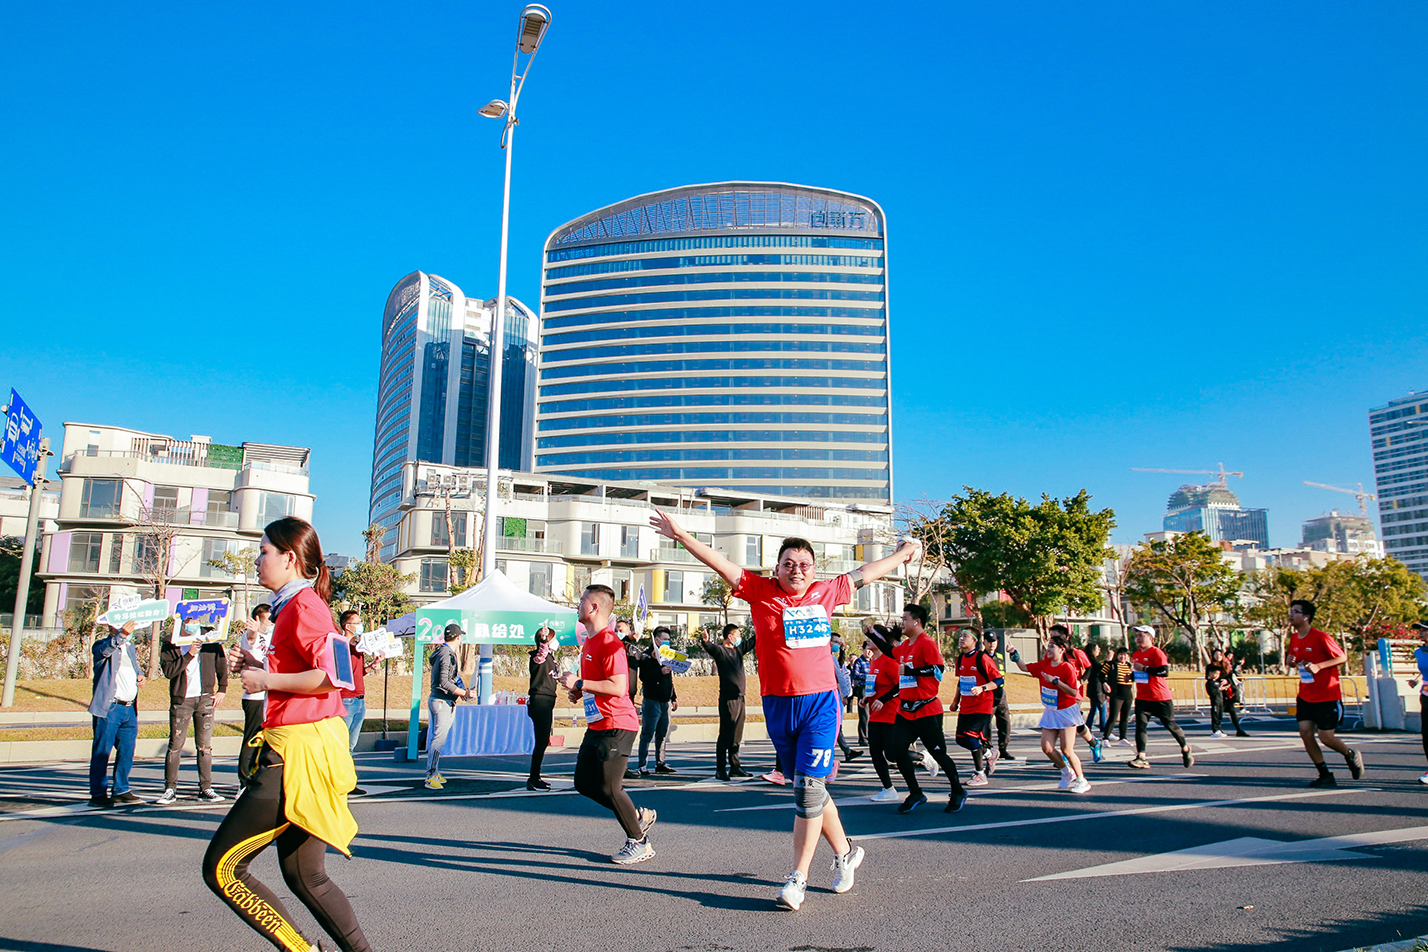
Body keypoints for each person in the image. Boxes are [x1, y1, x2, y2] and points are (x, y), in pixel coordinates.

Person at [652, 508, 918, 911]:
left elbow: (868, 571)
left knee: (808, 791)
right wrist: (681, 534)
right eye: (789, 564)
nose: (797, 570)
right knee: (810, 787)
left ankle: (798, 878)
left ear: (814, 570)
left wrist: (902, 554)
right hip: (778, 704)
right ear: (776, 568)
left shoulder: (827, 591)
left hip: (820, 704)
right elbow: (719, 562)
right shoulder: (760, 591)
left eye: (805, 565)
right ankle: (845, 852)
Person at [204, 516, 369, 952]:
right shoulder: (292, 606)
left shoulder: (305, 606)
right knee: (304, 875)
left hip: (299, 756)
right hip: (299, 748)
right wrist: (258, 669)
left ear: (289, 557)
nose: (258, 560)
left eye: (263, 552)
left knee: (223, 869)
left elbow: (333, 678)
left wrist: (267, 681)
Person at [556, 584, 658, 865]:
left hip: (618, 724)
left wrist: (579, 682)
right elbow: (598, 685)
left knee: (611, 787)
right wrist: (581, 691)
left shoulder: (611, 643)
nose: (577, 604)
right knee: (584, 783)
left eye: (581, 600)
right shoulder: (589, 641)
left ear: (594, 607)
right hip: (598, 723)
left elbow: (618, 686)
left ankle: (639, 842)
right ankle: (635, 818)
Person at [871, 604, 969, 816]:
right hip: (905, 710)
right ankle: (915, 792)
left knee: (938, 753)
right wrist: (873, 635)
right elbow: (890, 651)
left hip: (926, 709)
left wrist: (912, 671)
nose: (902, 622)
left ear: (916, 621)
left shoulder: (927, 643)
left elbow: (938, 670)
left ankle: (958, 790)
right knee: (895, 751)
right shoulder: (906, 645)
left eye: (905, 618)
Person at [1286, 599, 1363, 787]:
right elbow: (1294, 662)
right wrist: (1290, 661)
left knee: (1326, 737)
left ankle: (1350, 754)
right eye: (1290, 611)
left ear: (1306, 617)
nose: (1291, 614)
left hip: (1327, 695)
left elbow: (1342, 657)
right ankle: (1324, 774)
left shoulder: (1321, 637)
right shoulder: (1294, 638)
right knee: (1305, 733)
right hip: (1305, 694)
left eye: (1295, 611)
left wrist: (1320, 666)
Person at [156, 621, 228, 805]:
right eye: (188, 619)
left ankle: (206, 787)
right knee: (175, 744)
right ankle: (170, 788)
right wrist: (189, 654)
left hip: (205, 698)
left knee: (204, 745)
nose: (192, 623)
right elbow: (169, 671)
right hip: (182, 699)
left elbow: (221, 663)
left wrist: (222, 688)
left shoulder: (209, 638)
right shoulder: (171, 641)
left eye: (195, 619)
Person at [1011, 637, 1091, 793]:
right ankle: (1067, 772)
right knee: (1047, 748)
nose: (1048, 649)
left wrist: (1056, 682)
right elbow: (1025, 668)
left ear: (1062, 649)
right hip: (1051, 711)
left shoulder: (1067, 667)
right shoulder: (1045, 664)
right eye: (1048, 646)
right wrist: (1014, 654)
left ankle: (1082, 780)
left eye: (1052, 646)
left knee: (1067, 750)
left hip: (1066, 711)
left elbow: (1074, 692)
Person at [88, 620, 145, 807]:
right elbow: (103, 652)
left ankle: (121, 789)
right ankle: (98, 793)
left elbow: (132, 669)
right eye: (119, 624)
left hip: (129, 708)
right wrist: (120, 636)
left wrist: (140, 675)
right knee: (102, 751)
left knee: (127, 751)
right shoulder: (102, 645)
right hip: (110, 707)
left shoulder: (130, 647)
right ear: (112, 627)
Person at [1127, 625, 1194, 770]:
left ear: (1150, 638)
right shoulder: (1136, 654)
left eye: (1141, 635)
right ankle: (1141, 757)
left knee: (1171, 725)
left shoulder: (1157, 653)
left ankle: (1185, 748)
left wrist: (1144, 668)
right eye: (1137, 635)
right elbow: (1141, 674)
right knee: (1140, 727)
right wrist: (1131, 676)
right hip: (1143, 698)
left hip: (1160, 697)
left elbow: (1164, 672)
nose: (1138, 638)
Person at [700, 622, 755, 780]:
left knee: (737, 735)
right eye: (737, 634)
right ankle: (720, 769)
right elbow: (710, 648)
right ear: (729, 636)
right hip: (728, 698)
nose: (740, 638)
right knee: (726, 733)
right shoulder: (721, 651)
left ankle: (735, 766)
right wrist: (705, 641)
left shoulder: (738, 650)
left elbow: (752, 641)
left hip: (741, 697)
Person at [951, 628, 1002, 787]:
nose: (961, 639)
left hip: (982, 706)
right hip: (966, 706)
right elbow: (962, 681)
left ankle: (980, 774)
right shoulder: (960, 659)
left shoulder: (983, 658)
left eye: (965, 636)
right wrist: (955, 700)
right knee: (960, 739)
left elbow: (999, 681)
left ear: (974, 640)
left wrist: (983, 688)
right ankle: (989, 753)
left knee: (971, 737)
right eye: (960, 636)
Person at [427, 623, 474, 790]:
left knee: (439, 738)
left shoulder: (443, 652)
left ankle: (434, 771)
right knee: (438, 739)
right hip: (441, 700)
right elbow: (444, 681)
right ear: (458, 637)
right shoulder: (447, 654)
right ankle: (431, 774)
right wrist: (464, 693)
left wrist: (462, 692)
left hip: (442, 700)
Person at [1050, 624, 1105, 765]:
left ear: (1065, 637)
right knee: (1076, 725)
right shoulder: (1052, 653)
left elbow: (1089, 668)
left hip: (1073, 695)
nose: (1053, 640)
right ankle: (1093, 742)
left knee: (1068, 724)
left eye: (1056, 636)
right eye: (1051, 637)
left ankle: (1067, 753)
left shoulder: (1076, 653)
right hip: (1057, 695)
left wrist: (1081, 680)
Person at [860, 626, 902, 802]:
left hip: (891, 713)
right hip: (875, 714)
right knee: (875, 752)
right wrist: (866, 699)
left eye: (873, 636)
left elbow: (900, 686)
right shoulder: (873, 662)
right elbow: (874, 687)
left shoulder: (890, 661)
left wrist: (883, 699)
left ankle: (923, 757)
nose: (869, 639)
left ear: (881, 641)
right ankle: (888, 788)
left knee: (892, 753)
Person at [237, 604, 273, 790]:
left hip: (272, 695)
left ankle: (262, 779)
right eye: (268, 620)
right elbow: (251, 640)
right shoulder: (251, 636)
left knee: (269, 741)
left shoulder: (275, 636)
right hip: (256, 696)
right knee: (252, 738)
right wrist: (253, 632)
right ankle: (244, 782)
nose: (271, 623)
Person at [637, 626, 679, 775]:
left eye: (669, 639)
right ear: (656, 640)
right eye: (665, 639)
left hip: (665, 700)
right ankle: (642, 764)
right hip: (652, 700)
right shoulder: (647, 656)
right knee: (648, 733)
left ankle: (660, 762)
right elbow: (643, 677)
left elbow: (670, 679)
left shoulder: (668, 656)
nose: (667, 642)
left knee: (662, 733)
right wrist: (659, 671)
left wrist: (673, 697)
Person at [526, 626, 559, 791]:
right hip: (540, 700)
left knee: (543, 740)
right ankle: (533, 777)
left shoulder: (551, 658)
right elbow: (541, 654)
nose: (555, 642)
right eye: (553, 639)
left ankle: (535, 776)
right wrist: (544, 640)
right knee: (541, 740)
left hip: (547, 700)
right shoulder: (538, 657)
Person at [830, 632, 863, 767]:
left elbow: (840, 665)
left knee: (836, 725)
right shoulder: (828, 658)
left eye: (839, 642)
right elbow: (840, 676)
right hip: (832, 695)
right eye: (835, 642)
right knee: (835, 725)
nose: (837, 645)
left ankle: (847, 751)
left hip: (832, 694)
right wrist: (844, 694)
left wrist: (842, 651)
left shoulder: (830, 657)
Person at [981, 630, 1016, 760]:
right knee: (986, 723)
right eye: (989, 642)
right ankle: (988, 749)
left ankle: (1003, 749)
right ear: (984, 642)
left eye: (994, 641)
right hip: (987, 694)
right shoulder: (981, 657)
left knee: (1004, 721)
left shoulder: (1000, 656)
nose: (991, 644)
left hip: (1000, 694)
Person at [1205, 648, 1246, 738]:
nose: (1218, 656)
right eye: (1216, 654)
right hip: (1217, 690)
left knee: (1232, 710)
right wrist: (1218, 682)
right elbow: (1208, 677)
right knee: (1217, 710)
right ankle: (1217, 729)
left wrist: (1227, 681)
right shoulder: (1211, 666)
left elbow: (1230, 677)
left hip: (1226, 692)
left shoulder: (1226, 665)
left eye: (1219, 654)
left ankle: (1238, 729)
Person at [1407, 621, 1428, 785]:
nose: (1420, 634)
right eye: (1420, 631)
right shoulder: (1419, 652)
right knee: (1426, 735)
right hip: (1426, 696)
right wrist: (1416, 681)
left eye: (1424, 631)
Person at [1103, 645, 1135, 746]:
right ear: (1117, 655)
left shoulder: (1129, 666)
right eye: (1121, 655)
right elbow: (1101, 674)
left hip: (1127, 694)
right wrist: (1105, 683)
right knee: (1113, 716)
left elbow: (1134, 677)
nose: (1123, 657)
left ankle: (1123, 737)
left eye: (1125, 655)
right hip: (1116, 694)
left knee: (1125, 717)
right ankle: (1105, 737)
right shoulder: (1111, 665)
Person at [850, 642, 872, 746]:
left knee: (872, 715)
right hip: (863, 688)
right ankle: (863, 738)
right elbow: (855, 674)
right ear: (863, 650)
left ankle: (871, 736)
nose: (869, 652)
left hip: (873, 689)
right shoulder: (859, 661)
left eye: (871, 650)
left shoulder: (874, 661)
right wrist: (868, 676)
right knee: (864, 715)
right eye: (867, 649)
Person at [1085, 642, 1109, 735]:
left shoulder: (1090, 660)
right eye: (1097, 649)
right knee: (1102, 707)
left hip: (1093, 687)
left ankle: (1088, 726)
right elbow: (1102, 670)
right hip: (1097, 687)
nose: (1099, 651)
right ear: (1093, 650)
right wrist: (1108, 660)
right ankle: (1104, 728)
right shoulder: (1092, 661)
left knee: (1094, 709)